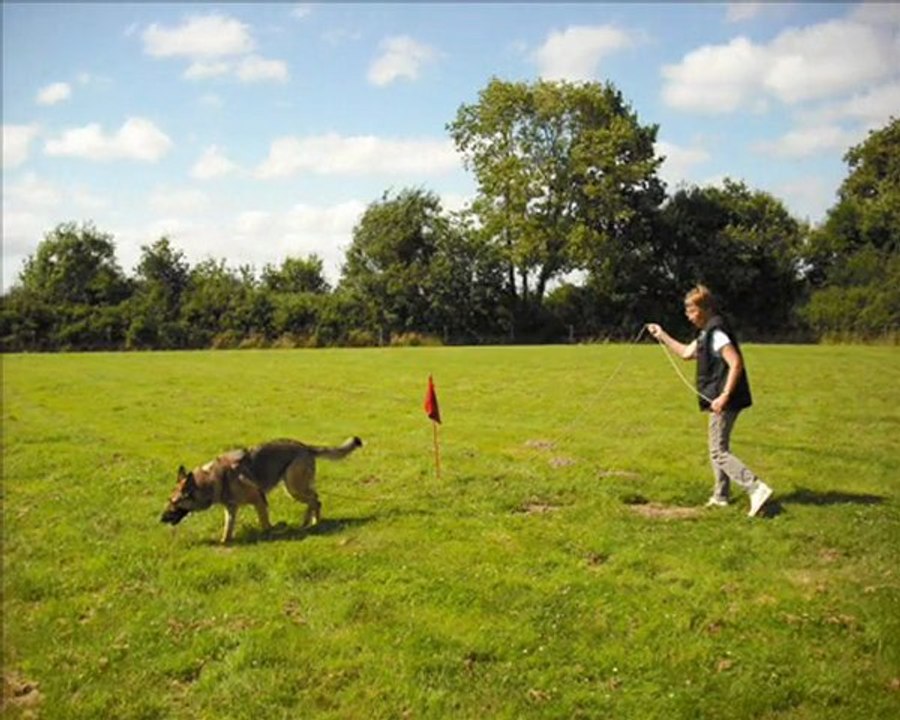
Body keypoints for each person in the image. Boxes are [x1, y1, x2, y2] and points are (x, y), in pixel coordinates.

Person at [647, 284, 773, 517]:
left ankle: (755, 487)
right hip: (718, 398)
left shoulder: (717, 333)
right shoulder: (705, 332)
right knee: (718, 447)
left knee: (717, 451)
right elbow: (686, 353)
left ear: (705, 309)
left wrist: (724, 396)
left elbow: (735, 362)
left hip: (725, 398)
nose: (688, 315)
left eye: (691, 310)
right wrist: (661, 335)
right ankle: (721, 495)